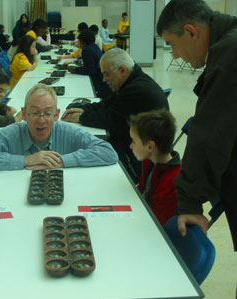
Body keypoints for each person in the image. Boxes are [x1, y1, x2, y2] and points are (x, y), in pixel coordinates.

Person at [157, 0, 237, 251]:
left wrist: (189, 202)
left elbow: (211, 133)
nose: (175, 55)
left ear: (191, 32)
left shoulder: (229, 53)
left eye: (172, 44)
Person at [61, 48, 169, 184]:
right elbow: (108, 104)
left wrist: (81, 118)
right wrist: (83, 108)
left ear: (122, 70)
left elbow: (111, 120)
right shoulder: (131, 81)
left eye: (107, 74)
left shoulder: (137, 89)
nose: (104, 79)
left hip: (143, 157)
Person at [0, 83, 118, 171]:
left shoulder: (67, 131)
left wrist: (62, 161)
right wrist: (26, 160)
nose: (41, 120)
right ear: (24, 114)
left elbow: (108, 152)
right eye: (35, 113)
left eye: (48, 113)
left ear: (57, 115)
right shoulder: (12, 133)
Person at [129, 110, 181, 226]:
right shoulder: (150, 162)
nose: (131, 146)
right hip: (140, 214)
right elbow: (141, 192)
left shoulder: (171, 183)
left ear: (150, 146)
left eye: (133, 141)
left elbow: (157, 224)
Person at [68, 29, 111, 98]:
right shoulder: (95, 47)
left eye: (79, 41)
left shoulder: (86, 50)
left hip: (99, 86)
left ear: (83, 42)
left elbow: (89, 71)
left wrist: (75, 70)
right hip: (104, 84)